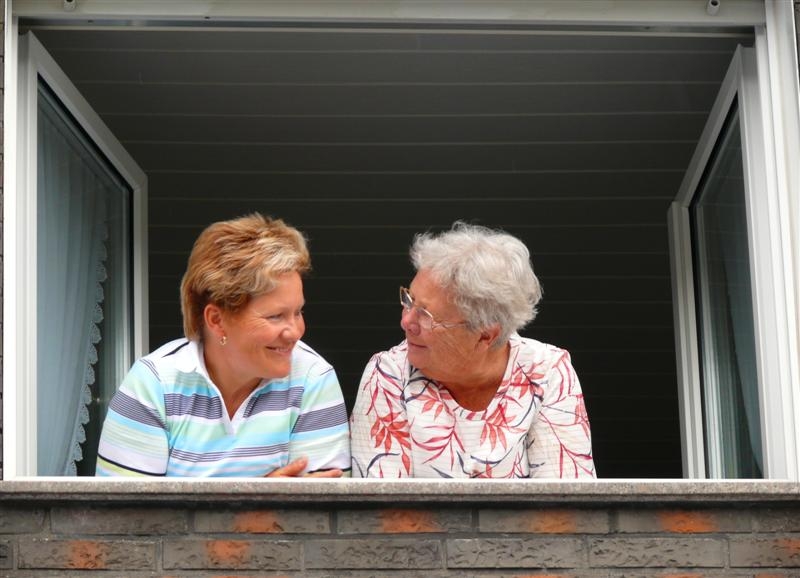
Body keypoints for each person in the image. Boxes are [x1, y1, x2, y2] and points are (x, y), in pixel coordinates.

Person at [96, 213, 350, 477]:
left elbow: (323, 503)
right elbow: (124, 505)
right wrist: (262, 495)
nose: (295, 331)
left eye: (298, 312)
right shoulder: (153, 385)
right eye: (275, 316)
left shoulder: (312, 378)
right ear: (216, 320)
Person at [350, 222, 595, 478]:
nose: (406, 321)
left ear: (486, 334)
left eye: (425, 314)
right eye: (409, 300)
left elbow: (563, 498)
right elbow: (385, 501)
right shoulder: (388, 374)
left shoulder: (547, 372)